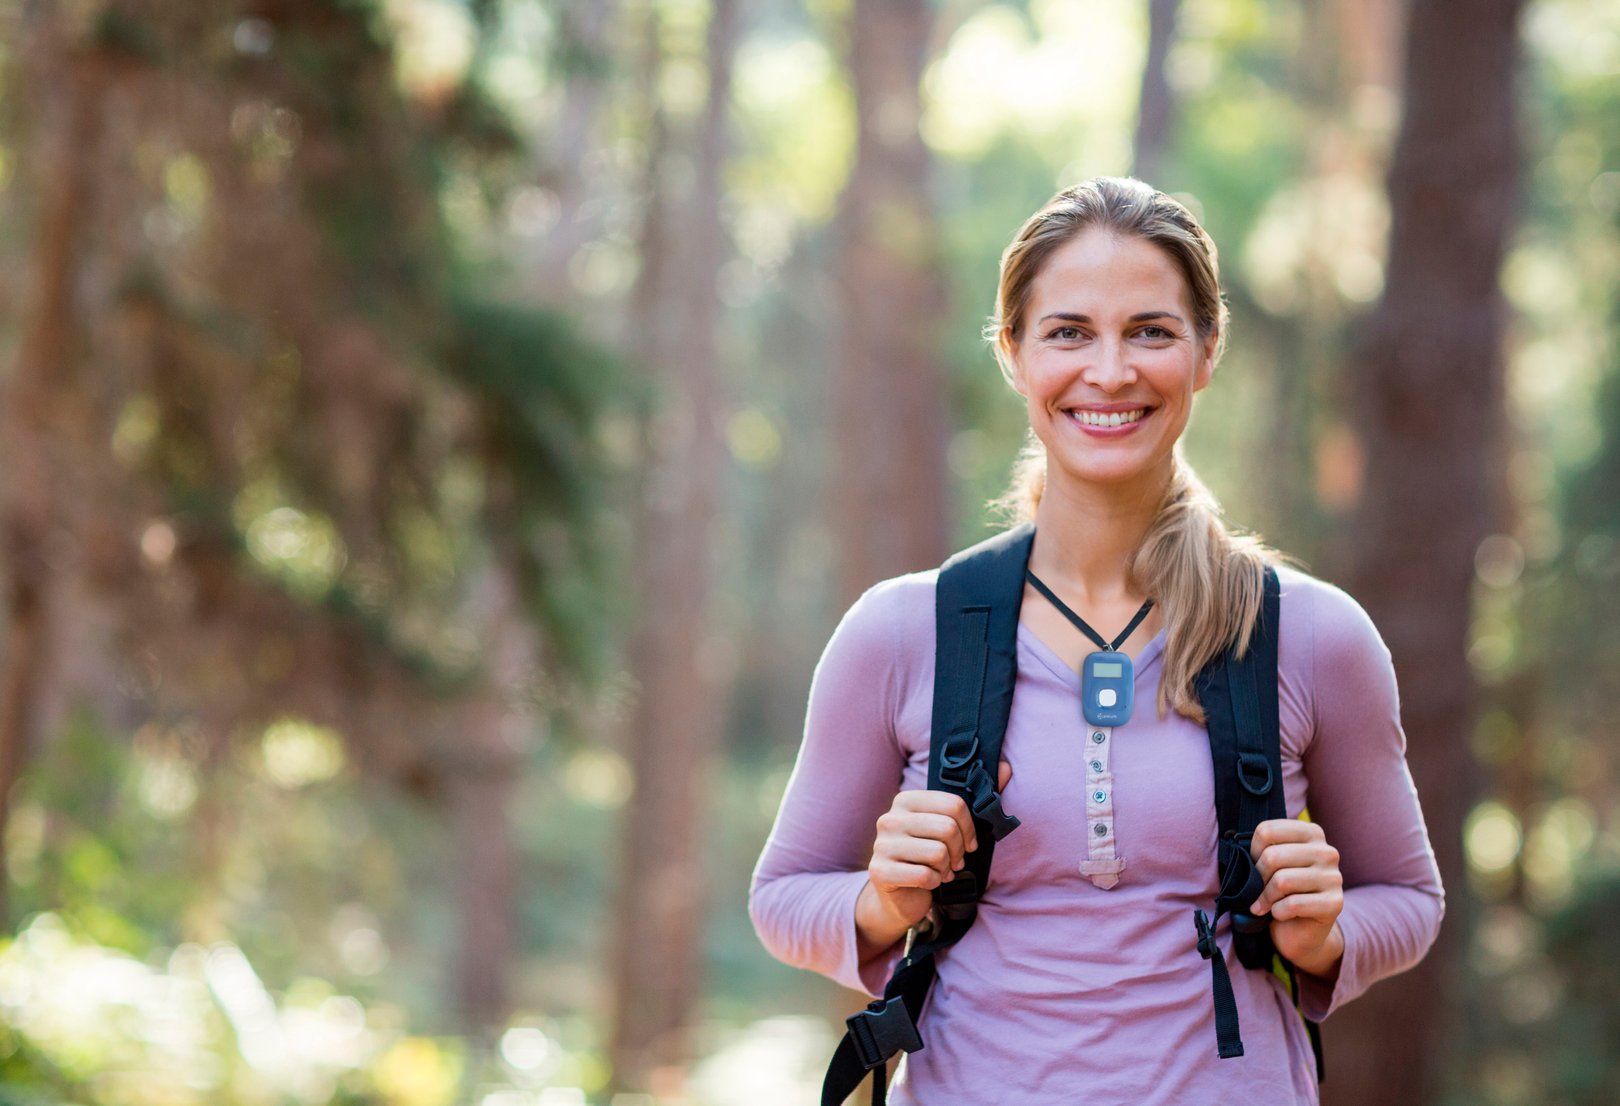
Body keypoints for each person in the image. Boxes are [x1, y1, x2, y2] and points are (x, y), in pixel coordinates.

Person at [748, 176, 1444, 1104]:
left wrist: (1327, 937)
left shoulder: (1309, 636)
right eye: (1069, 331)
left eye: (1150, 331)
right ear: (1014, 353)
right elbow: (784, 897)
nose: (1110, 372)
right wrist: (879, 902)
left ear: (1205, 350)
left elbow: (1409, 898)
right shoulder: (906, 632)